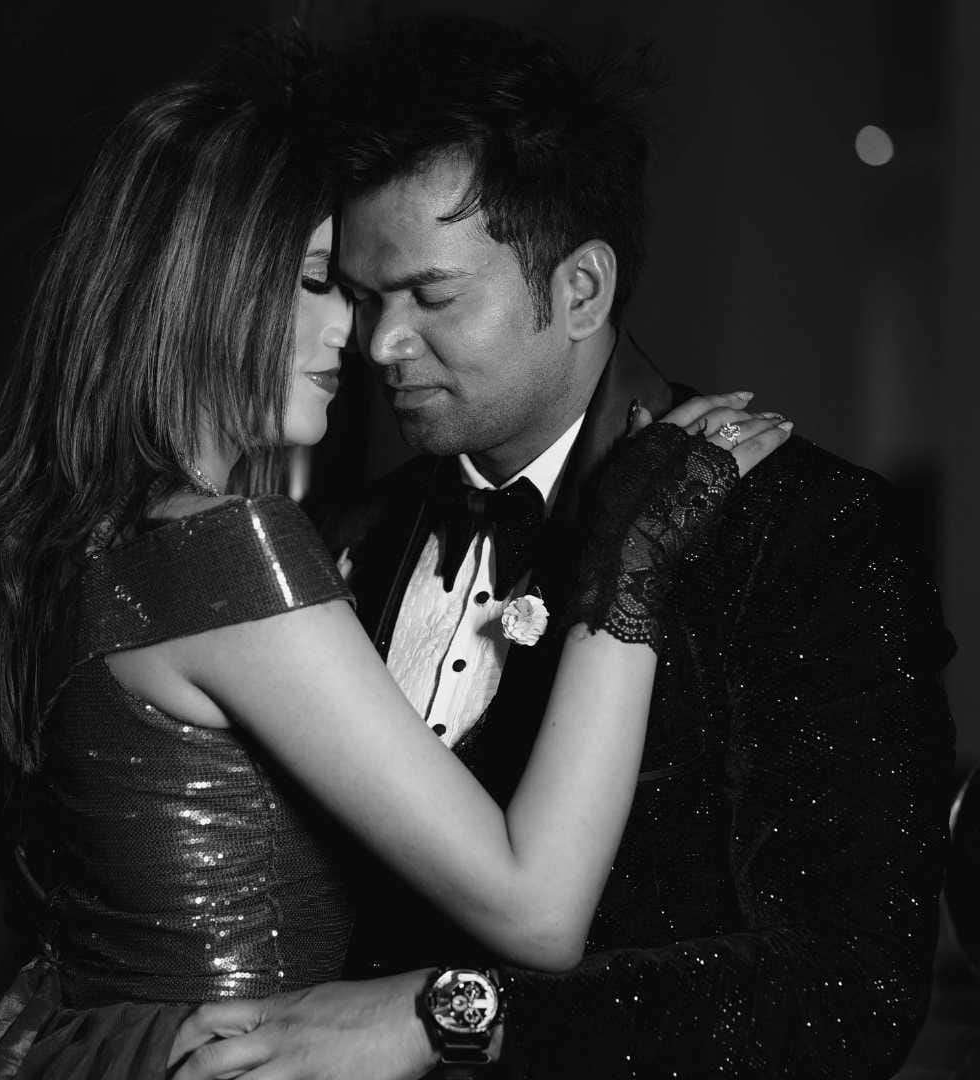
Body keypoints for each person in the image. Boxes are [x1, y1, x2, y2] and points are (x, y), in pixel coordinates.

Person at [0, 30, 789, 1080]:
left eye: (387, 296)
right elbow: (538, 911)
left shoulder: (38, 540)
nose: (362, 340)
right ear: (212, 284)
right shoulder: (224, 549)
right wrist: (632, 559)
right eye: (324, 282)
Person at [166, 16, 957, 1080]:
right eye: (362, 297)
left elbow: (847, 996)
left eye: (430, 295)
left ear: (580, 290)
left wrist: (442, 1017)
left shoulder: (809, 533)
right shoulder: (337, 539)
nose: (381, 344)